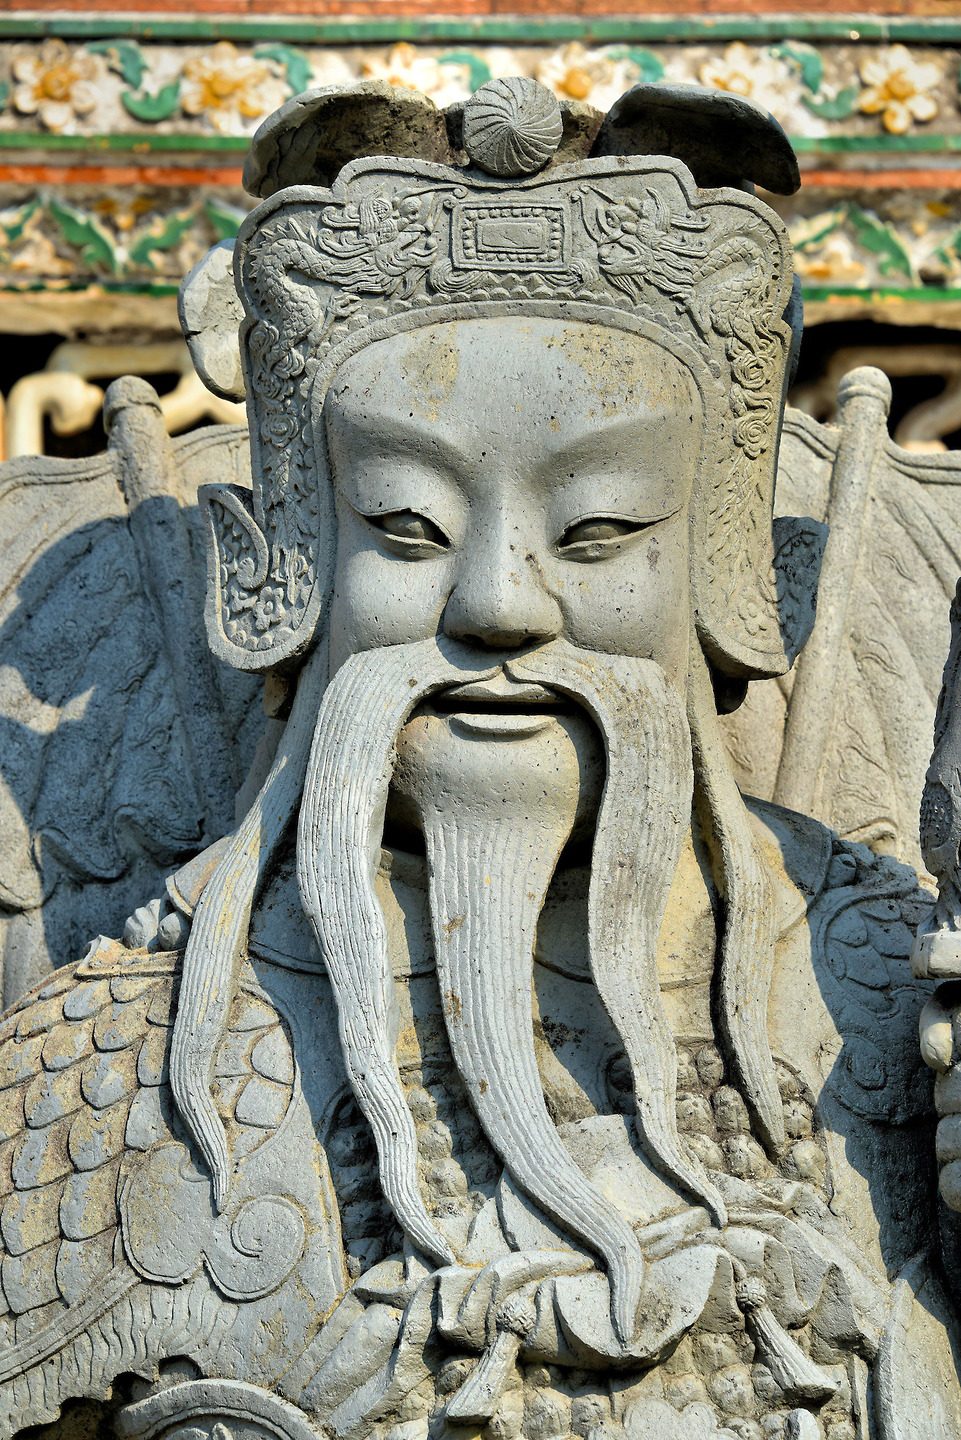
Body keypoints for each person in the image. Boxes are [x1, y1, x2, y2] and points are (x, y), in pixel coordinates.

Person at [0, 76, 956, 1440]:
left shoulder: (879, 1002)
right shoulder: (118, 1063)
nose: (499, 604)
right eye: (403, 525)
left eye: (601, 529)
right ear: (285, 572)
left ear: (733, 576)